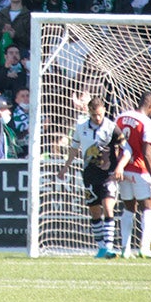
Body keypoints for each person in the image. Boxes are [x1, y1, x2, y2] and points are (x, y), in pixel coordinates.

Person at [57, 96, 132, 258]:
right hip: (90, 175)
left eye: (99, 114)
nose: (97, 118)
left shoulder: (112, 127)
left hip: (108, 175)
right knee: (94, 211)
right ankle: (101, 248)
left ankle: (110, 247)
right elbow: (74, 149)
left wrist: (120, 166)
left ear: (104, 110)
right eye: (94, 115)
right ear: (89, 112)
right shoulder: (80, 127)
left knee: (108, 207)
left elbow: (127, 150)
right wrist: (65, 168)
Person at [116, 92, 151, 259]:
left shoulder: (121, 117)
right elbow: (147, 153)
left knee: (128, 208)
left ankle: (125, 249)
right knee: (148, 207)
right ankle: (144, 248)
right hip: (140, 169)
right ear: (150, 106)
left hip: (123, 169)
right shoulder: (149, 124)